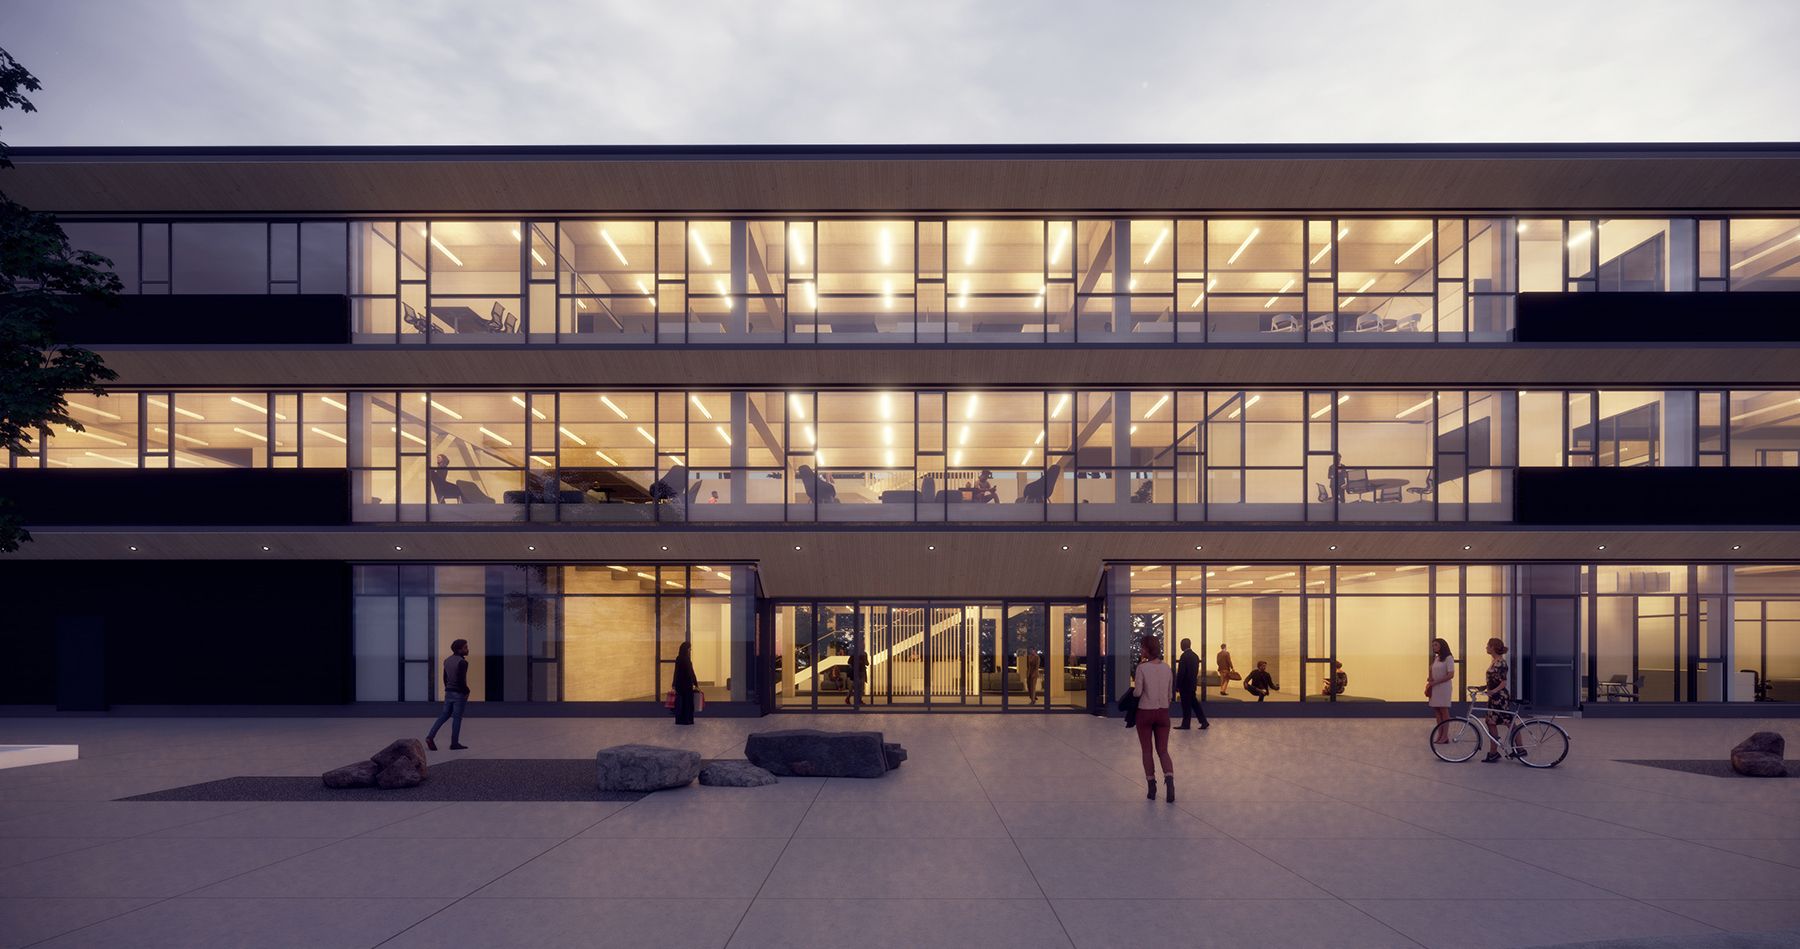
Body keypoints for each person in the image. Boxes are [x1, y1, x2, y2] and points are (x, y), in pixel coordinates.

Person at [1132, 635, 1176, 802]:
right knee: (1163, 750)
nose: (1140, 650)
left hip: (1145, 712)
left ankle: (1152, 788)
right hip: (1163, 713)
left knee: (1147, 750)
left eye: (1142, 647)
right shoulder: (1167, 668)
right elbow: (1170, 694)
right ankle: (1170, 784)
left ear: (1148, 649)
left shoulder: (1142, 668)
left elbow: (1137, 692)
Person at [425, 638, 470, 751]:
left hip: (448, 692)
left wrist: (448, 689)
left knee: (444, 715)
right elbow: (461, 680)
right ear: (459, 650)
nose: (467, 649)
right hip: (458, 693)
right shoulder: (463, 662)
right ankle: (454, 743)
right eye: (465, 647)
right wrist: (467, 691)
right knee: (457, 718)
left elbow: (445, 678)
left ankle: (430, 736)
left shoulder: (447, 660)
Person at [1480, 638, 1515, 762]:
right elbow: (1494, 680)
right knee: (1491, 722)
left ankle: (1521, 749)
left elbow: (1503, 682)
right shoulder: (1494, 662)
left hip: (1499, 698)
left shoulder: (1500, 663)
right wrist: (1484, 687)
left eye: (1488, 645)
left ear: (1493, 647)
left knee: (1508, 722)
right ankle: (1493, 752)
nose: (1486, 647)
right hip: (1493, 697)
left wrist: (1494, 691)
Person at [1173, 638, 1208, 729]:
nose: (1180, 646)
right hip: (1192, 684)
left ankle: (1186, 724)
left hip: (1185, 686)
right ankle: (1203, 721)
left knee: (1186, 705)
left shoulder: (1184, 656)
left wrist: (1178, 685)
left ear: (1184, 645)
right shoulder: (1195, 656)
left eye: (1181, 644)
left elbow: (1181, 673)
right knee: (1194, 704)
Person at [1426, 638, 1456, 742]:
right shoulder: (1437, 658)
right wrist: (1431, 679)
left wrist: (1436, 681)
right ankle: (1439, 734)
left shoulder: (1448, 658)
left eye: (1436, 645)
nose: (1434, 647)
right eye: (1433, 645)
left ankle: (1445, 735)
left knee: (1443, 710)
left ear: (1442, 646)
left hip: (1444, 687)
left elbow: (1451, 675)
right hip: (1435, 686)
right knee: (1437, 710)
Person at [672, 641, 698, 725]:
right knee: (687, 702)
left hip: (681, 685)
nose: (690, 649)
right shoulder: (685, 659)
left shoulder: (679, 658)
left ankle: (681, 720)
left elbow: (676, 672)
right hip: (686, 685)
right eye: (689, 647)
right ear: (686, 649)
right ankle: (687, 720)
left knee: (681, 702)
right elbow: (690, 671)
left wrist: (674, 684)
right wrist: (695, 682)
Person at [846, 641, 869, 708]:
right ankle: (847, 698)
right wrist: (857, 662)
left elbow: (867, 662)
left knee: (861, 687)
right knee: (853, 685)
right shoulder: (855, 653)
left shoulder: (865, 654)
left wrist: (866, 663)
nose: (863, 646)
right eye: (862, 645)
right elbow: (849, 662)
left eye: (864, 645)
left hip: (862, 671)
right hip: (856, 671)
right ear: (859, 646)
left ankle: (859, 699)